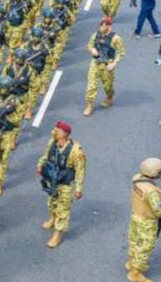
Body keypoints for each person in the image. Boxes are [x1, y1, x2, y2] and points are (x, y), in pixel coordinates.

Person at [36, 120, 86, 248]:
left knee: (63, 208)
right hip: (52, 178)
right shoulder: (53, 142)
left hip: (65, 183)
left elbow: (80, 170)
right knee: (52, 201)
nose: (54, 132)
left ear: (64, 134)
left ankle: (58, 234)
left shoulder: (75, 151)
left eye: (56, 131)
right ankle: (52, 217)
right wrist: (40, 165)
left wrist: (79, 188)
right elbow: (46, 155)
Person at [126, 157, 161, 282]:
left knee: (134, 240)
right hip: (147, 221)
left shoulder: (137, 179)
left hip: (136, 215)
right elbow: (158, 210)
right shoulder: (152, 192)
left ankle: (130, 262)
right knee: (144, 247)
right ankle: (135, 273)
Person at [84, 17, 125, 116]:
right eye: (101, 25)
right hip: (95, 62)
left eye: (104, 25)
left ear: (109, 26)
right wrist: (92, 50)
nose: (101, 27)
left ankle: (109, 97)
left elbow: (121, 53)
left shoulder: (116, 38)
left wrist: (114, 63)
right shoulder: (96, 35)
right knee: (91, 85)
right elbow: (89, 45)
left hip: (107, 65)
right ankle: (89, 105)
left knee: (108, 86)